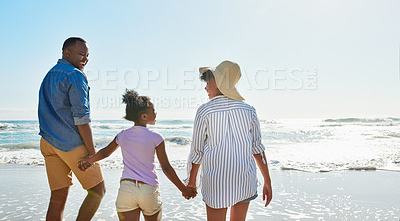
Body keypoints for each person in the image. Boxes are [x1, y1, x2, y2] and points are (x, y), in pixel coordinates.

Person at [78, 89, 197, 221]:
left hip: (126, 190)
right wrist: (183, 189)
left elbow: (105, 152)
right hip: (148, 190)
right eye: (153, 110)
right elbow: (166, 168)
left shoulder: (122, 135)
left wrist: (89, 160)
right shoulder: (156, 138)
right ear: (143, 116)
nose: (156, 113)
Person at [186, 60, 273, 221]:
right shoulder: (249, 110)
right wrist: (267, 180)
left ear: (219, 83)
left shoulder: (204, 111)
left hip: (216, 181)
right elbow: (257, 149)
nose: (205, 87)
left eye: (208, 82)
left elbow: (197, 152)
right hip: (244, 179)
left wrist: (191, 182)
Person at [38, 37, 105, 221]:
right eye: (82, 54)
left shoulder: (49, 75)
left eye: (88, 55)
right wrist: (92, 154)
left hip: (48, 143)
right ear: (67, 53)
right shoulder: (75, 74)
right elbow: (82, 119)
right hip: (71, 144)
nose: (86, 59)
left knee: (57, 198)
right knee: (98, 190)